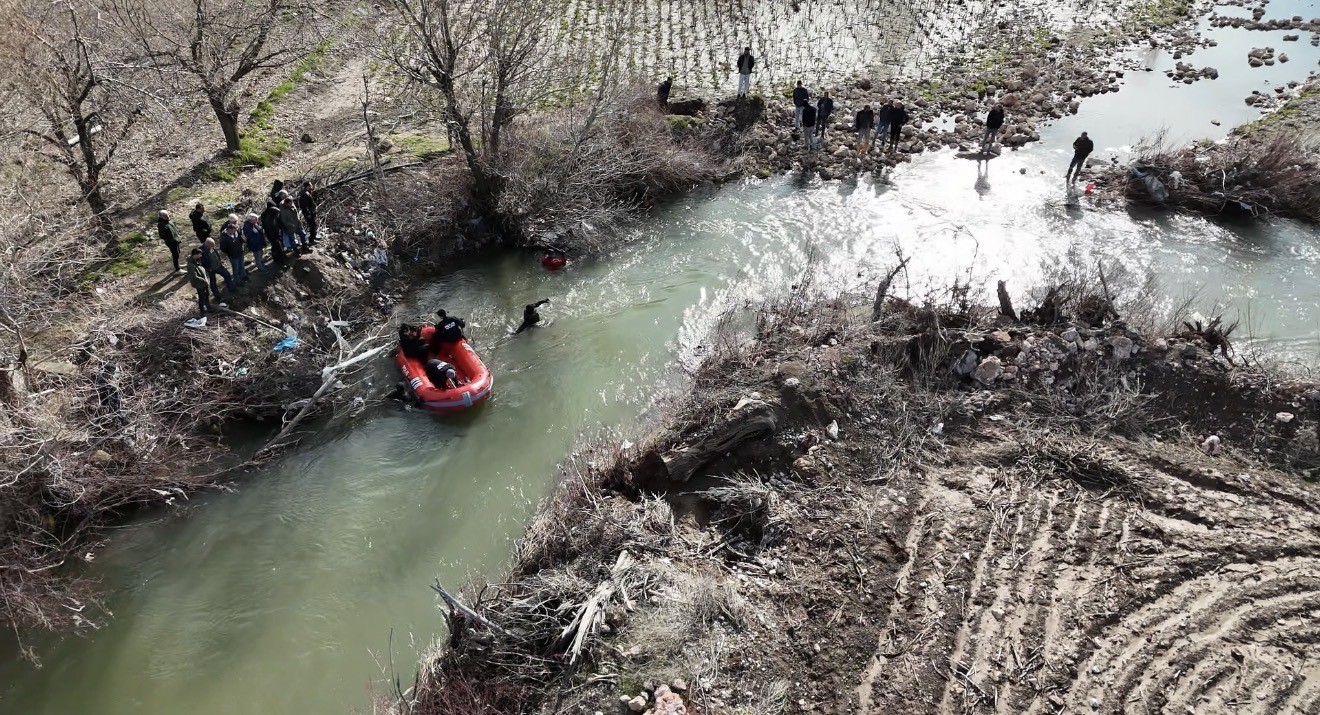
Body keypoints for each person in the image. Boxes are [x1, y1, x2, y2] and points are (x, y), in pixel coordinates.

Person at [186, 247, 212, 316]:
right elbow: (194, 277)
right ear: (195, 255)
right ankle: (202, 312)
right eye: (199, 254)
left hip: (204, 282)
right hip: (199, 284)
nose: (201, 256)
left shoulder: (197, 260)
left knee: (207, 295)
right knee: (202, 297)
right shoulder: (190, 265)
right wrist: (203, 280)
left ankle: (208, 307)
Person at [157, 210, 182, 274]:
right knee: (175, 255)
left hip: (176, 240)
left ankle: (178, 265)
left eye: (167, 214)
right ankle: (177, 269)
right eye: (165, 216)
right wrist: (170, 238)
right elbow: (162, 235)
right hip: (171, 242)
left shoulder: (169, 221)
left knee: (178, 253)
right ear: (161, 217)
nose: (167, 216)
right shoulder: (161, 225)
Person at [297, 181, 318, 245]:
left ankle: (313, 237)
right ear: (307, 186)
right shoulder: (305, 194)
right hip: (309, 214)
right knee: (313, 226)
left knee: (314, 226)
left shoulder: (307, 193)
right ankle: (311, 240)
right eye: (310, 185)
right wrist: (308, 214)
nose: (311, 186)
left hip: (311, 213)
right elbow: (304, 206)